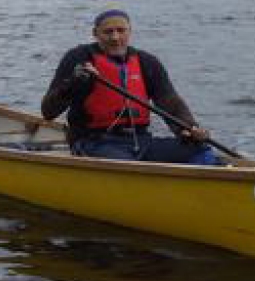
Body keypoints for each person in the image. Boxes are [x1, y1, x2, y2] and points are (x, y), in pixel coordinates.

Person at [41, 8, 220, 164]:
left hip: (141, 141)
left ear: (130, 32)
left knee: (200, 150)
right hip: (94, 141)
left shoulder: (147, 62)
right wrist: (73, 84)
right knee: (125, 163)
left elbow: (170, 102)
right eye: (108, 32)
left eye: (121, 31)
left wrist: (189, 129)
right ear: (95, 33)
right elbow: (48, 112)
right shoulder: (78, 58)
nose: (115, 38)